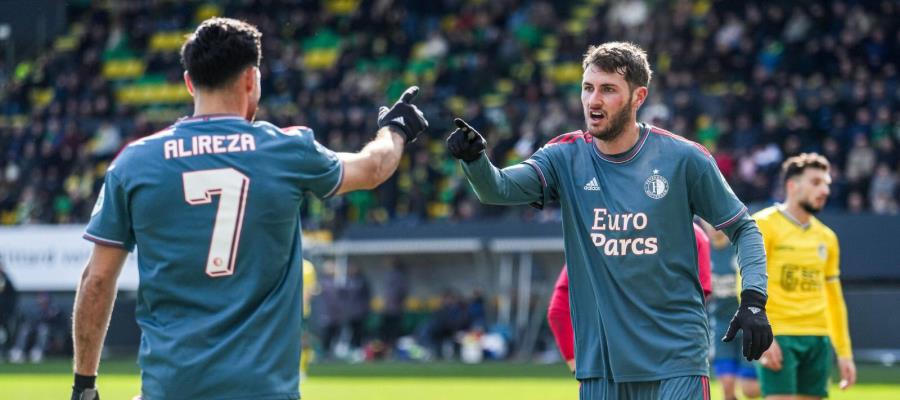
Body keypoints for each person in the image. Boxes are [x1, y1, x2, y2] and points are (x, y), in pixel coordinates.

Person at [71, 17, 429, 400]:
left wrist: (84, 387)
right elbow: (373, 169)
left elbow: (97, 281)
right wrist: (395, 129)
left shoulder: (134, 163)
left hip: (170, 390)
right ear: (252, 79)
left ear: (189, 82)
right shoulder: (287, 149)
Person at [447, 41, 772, 400]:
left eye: (608, 90)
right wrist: (475, 161)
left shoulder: (683, 158)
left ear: (638, 96)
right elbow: (498, 189)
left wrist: (754, 299)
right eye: (588, 88)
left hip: (676, 358)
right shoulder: (564, 156)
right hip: (602, 365)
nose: (593, 100)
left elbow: (744, 228)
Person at [752, 153, 856, 400]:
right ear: (792, 185)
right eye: (816, 182)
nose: (825, 190)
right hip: (779, 334)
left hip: (818, 338)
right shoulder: (763, 224)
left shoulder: (827, 238)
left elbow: (834, 297)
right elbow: (746, 282)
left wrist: (844, 352)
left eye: (827, 183)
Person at [548, 223, 713, 372]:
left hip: (603, 368)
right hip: (668, 365)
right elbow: (695, 308)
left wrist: (577, 367)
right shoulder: (693, 235)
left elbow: (558, 311)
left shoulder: (598, 235)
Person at [703, 222, 761, 400]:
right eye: (707, 222)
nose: (712, 226)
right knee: (727, 387)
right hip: (721, 325)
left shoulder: (739, 247)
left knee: (751, 390)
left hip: (747, 325)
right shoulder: (701, 249)